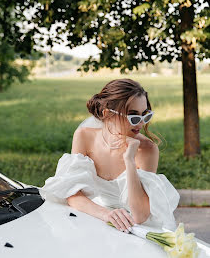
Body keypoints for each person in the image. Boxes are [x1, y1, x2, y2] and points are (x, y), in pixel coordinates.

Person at [39, 78, 180, 233]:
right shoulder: (84, 136)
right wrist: (106, 214)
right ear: (107, 114)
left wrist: (130, 161)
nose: (140, 124)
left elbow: (140, 215)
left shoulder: (147, 149)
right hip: (100, 217)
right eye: (133, 116)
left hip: (138, 227)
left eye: (145, 115)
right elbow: (72, 195)